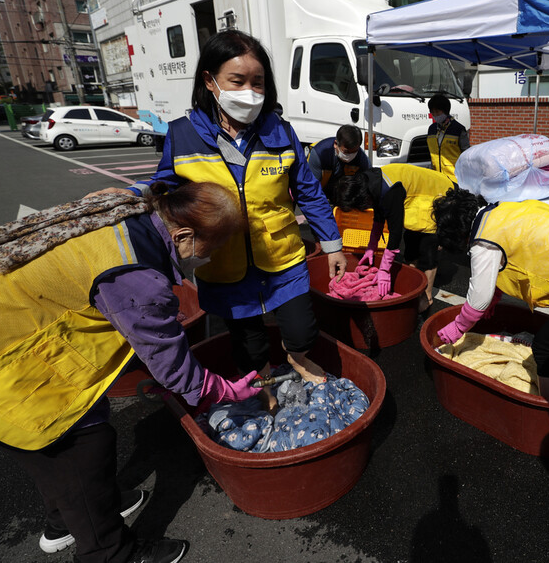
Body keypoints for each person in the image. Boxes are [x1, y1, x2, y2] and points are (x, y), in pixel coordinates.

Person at [0, 182, 259, 563]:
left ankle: (67, 520)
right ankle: (109, 552)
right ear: (183, 234)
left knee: (49, 452)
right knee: (81, 447)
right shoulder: (137, 277)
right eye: (213, 248)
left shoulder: (131, 205)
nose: (211, 257)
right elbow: (171, 363)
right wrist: (218, 391)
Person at [103, 30, 347, 386]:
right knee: (247, 340)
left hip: (282, 256)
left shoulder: (280, 131)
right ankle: (261, 381)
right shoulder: (182, 134)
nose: (249, 91)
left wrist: (332, 245)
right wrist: (129, 194)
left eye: (258, 82)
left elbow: (308, 192)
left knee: (302, 328)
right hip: (222, 261)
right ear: (210, 80)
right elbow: (164, 185)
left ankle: (297, 356)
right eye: (238, 80)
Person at [431, 188, 549, 397]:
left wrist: (458, 327)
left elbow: (477, 302)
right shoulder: (501, 210)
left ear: (456, 234)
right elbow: (510, 253)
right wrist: (494, 295)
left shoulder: (483, 240)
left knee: (545, 349)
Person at [333, 163, 454, 311]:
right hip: (416, 197)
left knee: (427, 248)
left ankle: (426, 299)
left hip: (438, 193)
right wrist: (371, 246)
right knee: (411, 245)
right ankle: (414, 287)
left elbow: (395, 233)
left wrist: (384, 269)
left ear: (362, 199)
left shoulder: (390, 191)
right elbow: (378, 216)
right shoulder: (367, 183)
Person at [305, 124, 370, 196]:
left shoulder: (362, 159)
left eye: (354, 152)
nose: (350, 155)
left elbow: (366, 188)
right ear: (336, 144)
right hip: (320, 194)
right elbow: (311, 189)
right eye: (346, 152)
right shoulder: (320, 154)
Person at [426, 94, 469, 182]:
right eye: (432, 112)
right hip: (436, 177)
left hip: (455, 179)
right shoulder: (432, 129)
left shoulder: (458, 129)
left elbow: (466, 154)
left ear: (445, 111)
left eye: (437, 112)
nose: (435, 115)